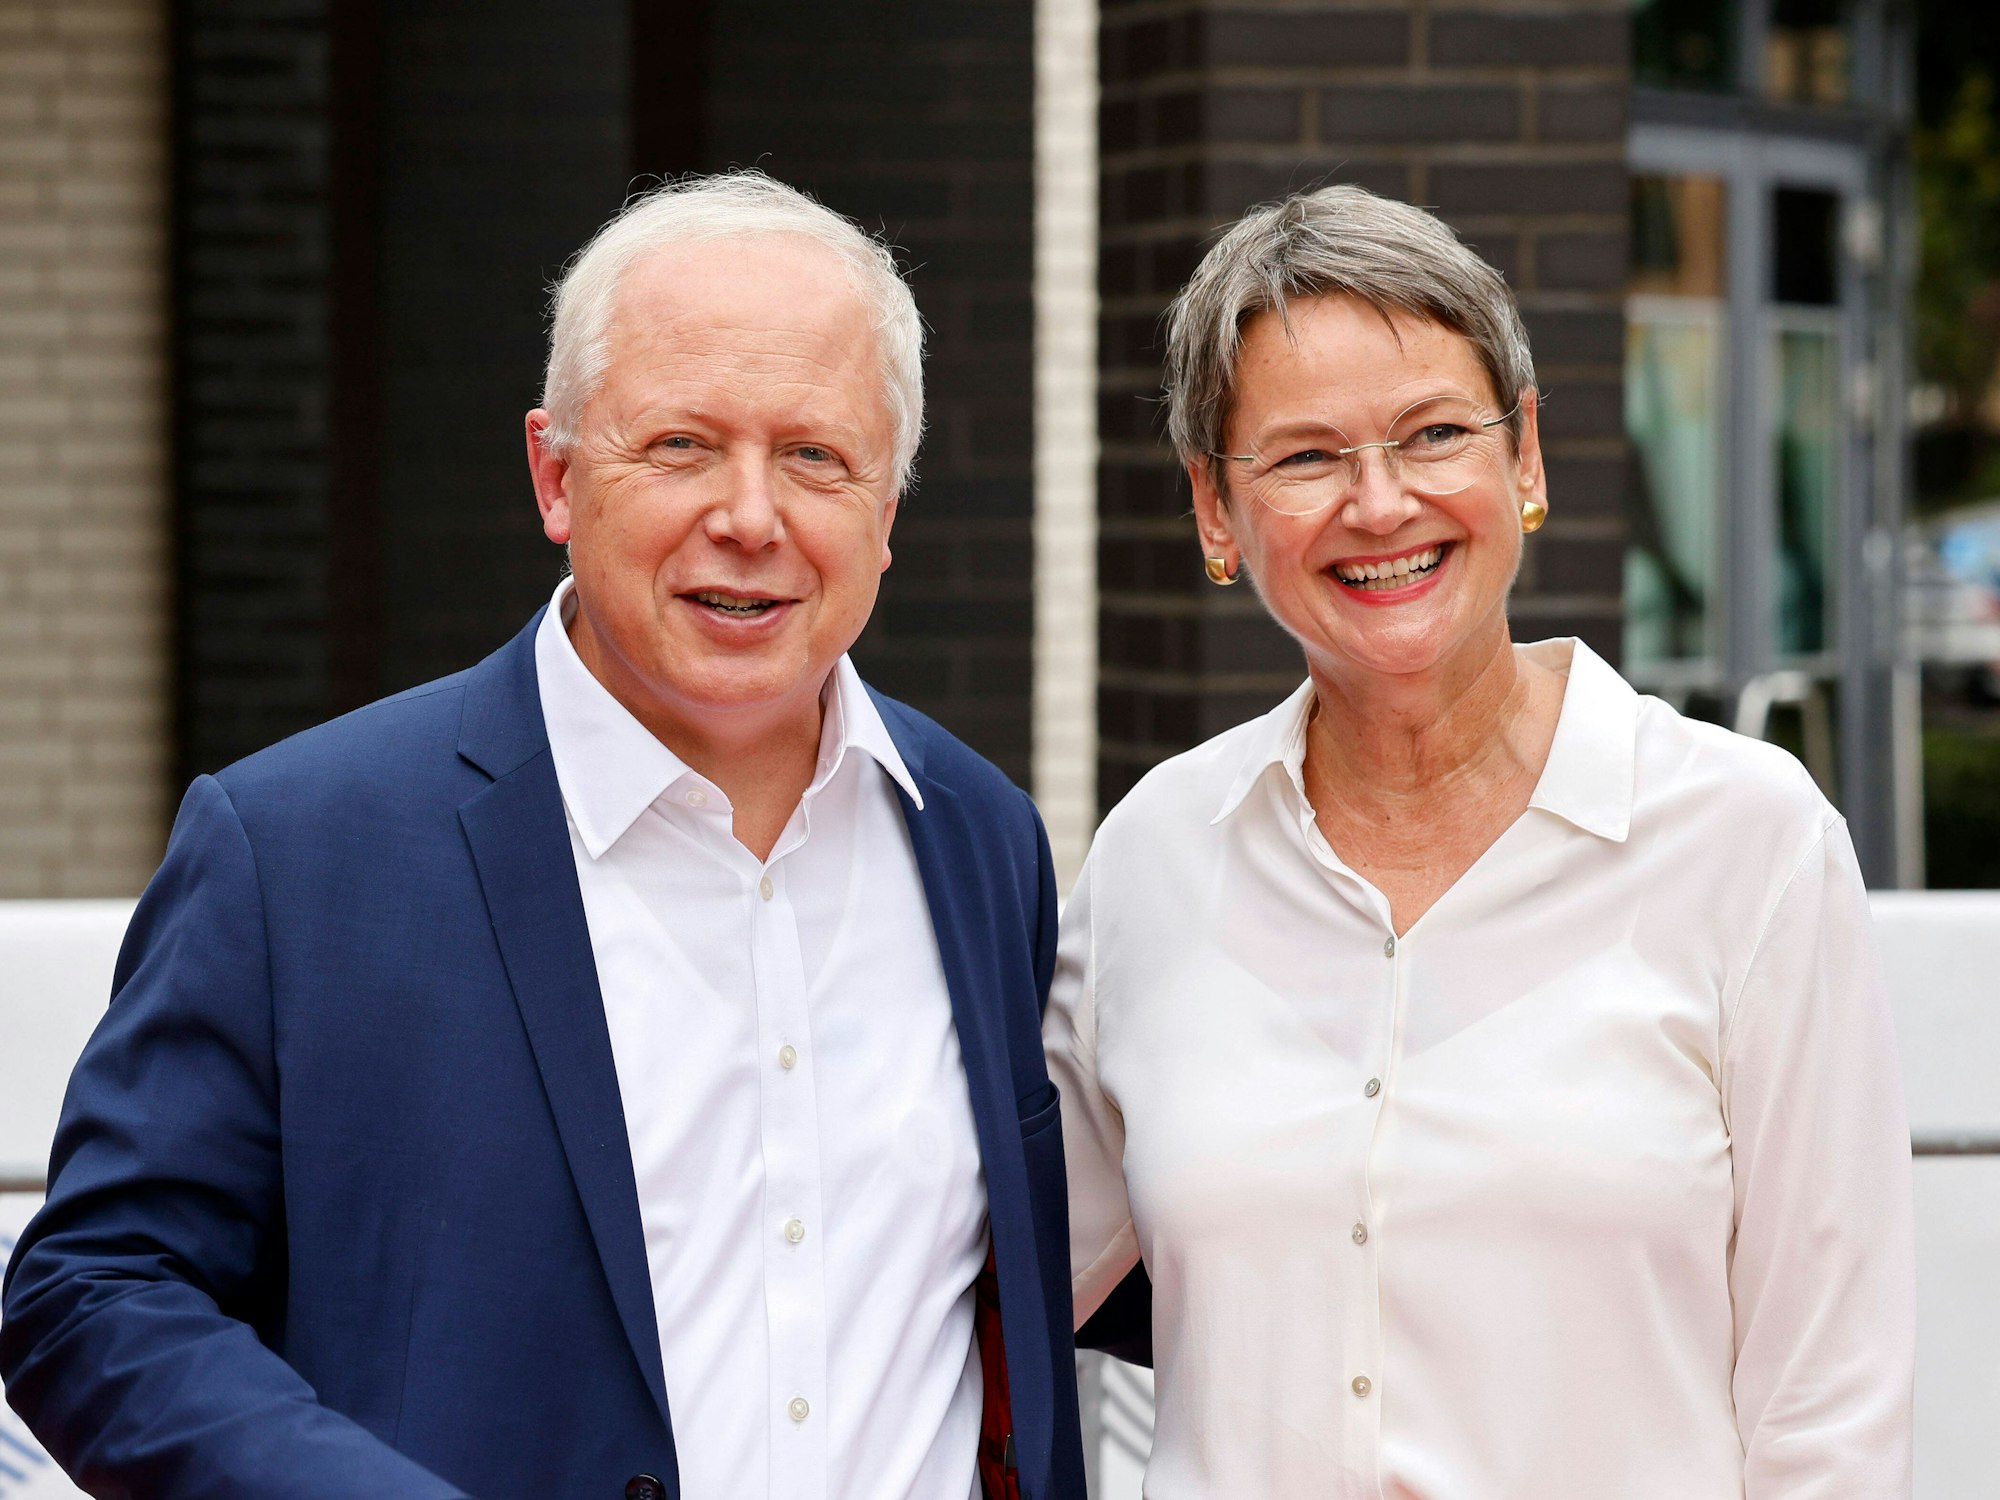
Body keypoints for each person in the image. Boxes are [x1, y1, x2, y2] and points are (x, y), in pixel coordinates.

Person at [1, 172, 1084, 1500]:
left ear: (889, 510)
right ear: (556, 476)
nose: (750, 517)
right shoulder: (296, 853)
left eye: (816, 456)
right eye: (681, 445)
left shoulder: (980, 838)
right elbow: (97, 1293)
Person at [1046, 185, 1915, 1498]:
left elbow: (1831, 1413)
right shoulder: (1157, 854)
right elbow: (982, 1275)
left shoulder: (1749, 842)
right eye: (1305, 457)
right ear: (1217, 511)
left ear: (1527, 459)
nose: (1380, 502)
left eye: (1437, 433)